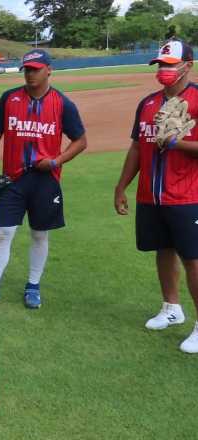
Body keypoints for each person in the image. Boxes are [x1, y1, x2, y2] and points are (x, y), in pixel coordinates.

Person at [0, 49, 87, 309]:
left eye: (36, 69)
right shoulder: (10, 98)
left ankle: (33, 286)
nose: (30, 74)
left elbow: (81, 141)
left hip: (45, 180)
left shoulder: (62, 104)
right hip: (12, 179)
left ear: (49, 70)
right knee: (3, 233)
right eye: (27, 69)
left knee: (39, 234)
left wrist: (57, 161)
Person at [114, 39, 198, 353]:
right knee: (162, 250)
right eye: (160, 65)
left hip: (187, 195)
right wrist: (122, 185)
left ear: (187, 65)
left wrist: (177, 143)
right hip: (151, 195)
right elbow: (138, 146)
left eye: (171, 65)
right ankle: (172, 308)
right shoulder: (148, 103)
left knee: (193, 258)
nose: (164, 70)